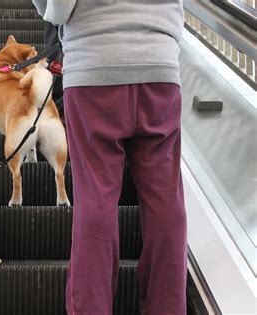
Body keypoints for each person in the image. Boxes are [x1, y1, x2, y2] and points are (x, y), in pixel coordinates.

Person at [32, 1, 187, 314]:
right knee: (165, 199)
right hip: (159, 61)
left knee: (96, 198)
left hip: (94, 62)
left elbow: (58, 6)